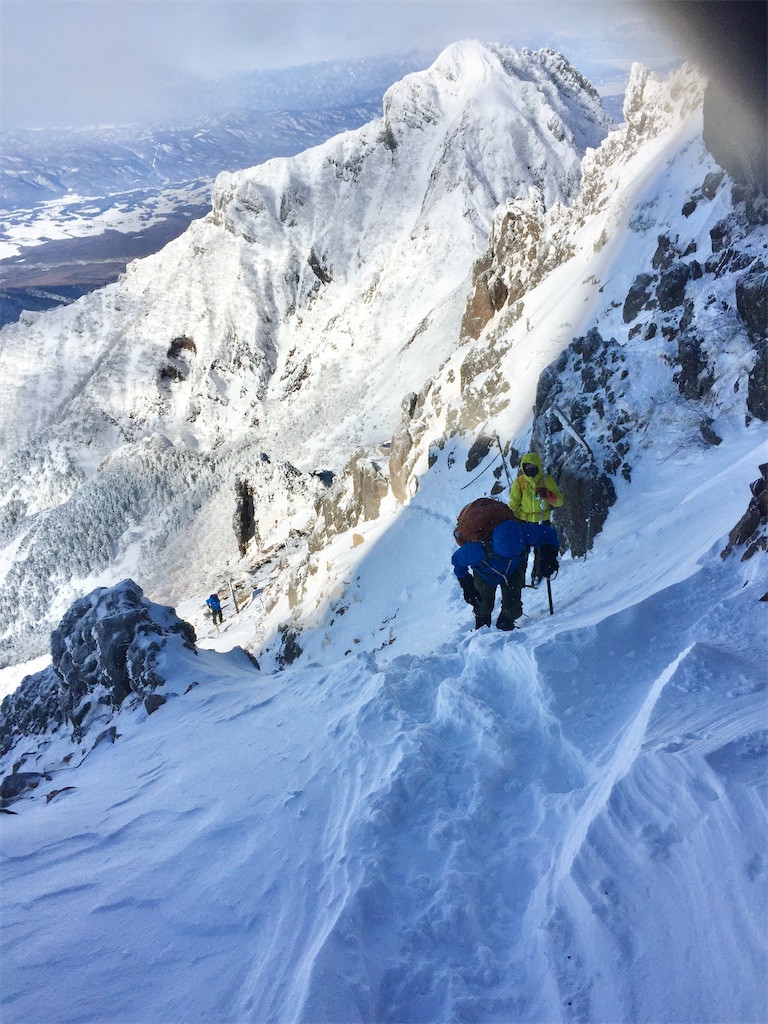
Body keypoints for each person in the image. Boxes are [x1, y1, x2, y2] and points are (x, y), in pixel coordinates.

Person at [452, 517, 559, 630]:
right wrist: (467, 584)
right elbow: (457, 561)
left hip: (514, 570)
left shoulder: (521, 532)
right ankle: (482, 626)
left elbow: (548, 534)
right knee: (482, 605)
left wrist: (549, 554)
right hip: (484, 574)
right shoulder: (476, 549)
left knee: (513, 608)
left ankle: (505, 625)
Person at [509, 451, 563, 586]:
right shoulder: (520, 482)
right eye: (526, 467)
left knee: (541, 552)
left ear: (538, 466)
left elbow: (559, 501)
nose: (529, 469)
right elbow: (514, 504)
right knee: (522, 552)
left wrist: (548, 495)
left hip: (542, 520)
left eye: (532, 466)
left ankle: (537, 575)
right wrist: (513, 519)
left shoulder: (546, 481)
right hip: (524, 522)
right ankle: (519, 579)